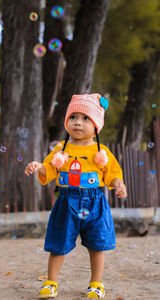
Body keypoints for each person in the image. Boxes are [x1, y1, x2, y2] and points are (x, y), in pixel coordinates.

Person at [25, 93, 127, 299]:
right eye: (73, 117)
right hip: (66, 201)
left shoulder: (102, 152)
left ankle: (96, 284)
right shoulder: (60, 150)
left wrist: (118, 183)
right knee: (59, 244)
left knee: (97, 245)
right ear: (66, 122)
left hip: (95, 202)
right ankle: (51, 282)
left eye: (85, 118)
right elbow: (49, 170)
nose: (78, 122)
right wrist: (39, 167)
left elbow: (113, 174)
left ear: (97, 125)